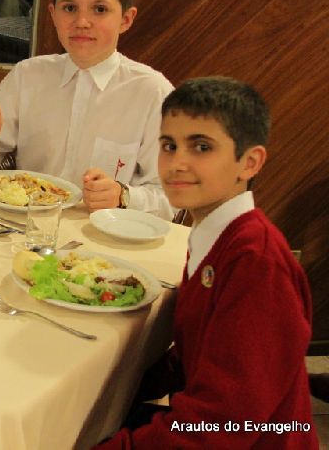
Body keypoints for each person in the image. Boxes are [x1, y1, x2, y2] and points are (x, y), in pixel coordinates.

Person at [95, 77, 316, 449]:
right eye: (169, 145)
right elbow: (200, 354)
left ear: (249, 162)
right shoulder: (212, 233)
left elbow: (226, 423)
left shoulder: (256, 262)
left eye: (201, 147)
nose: (177, 163)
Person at [0, 0, 175, 220]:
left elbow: (172, 197)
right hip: (22, 225)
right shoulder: (28, 75)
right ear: (53, 15)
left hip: (103, 231)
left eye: (100, 10)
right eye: (70, 8)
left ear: (125, 19)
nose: (81, 22)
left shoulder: (152, 92)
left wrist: (124, 197)